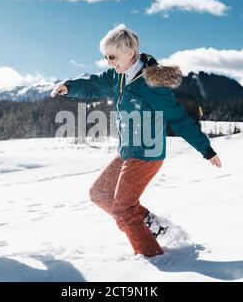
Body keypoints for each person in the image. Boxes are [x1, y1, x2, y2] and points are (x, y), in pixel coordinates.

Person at [51, 24, 222, 257]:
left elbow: (178, 118)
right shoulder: (117, 76)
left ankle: (153, 260)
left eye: (112, 56)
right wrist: (69, 87)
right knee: (100, 193)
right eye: (105, 57)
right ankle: (153, 226)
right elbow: (92, 84)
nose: (109, 62)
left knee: (123, 209)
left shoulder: (151, 84)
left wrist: (206, 149)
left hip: (147, 154)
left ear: (130, 52)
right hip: (127, 151)